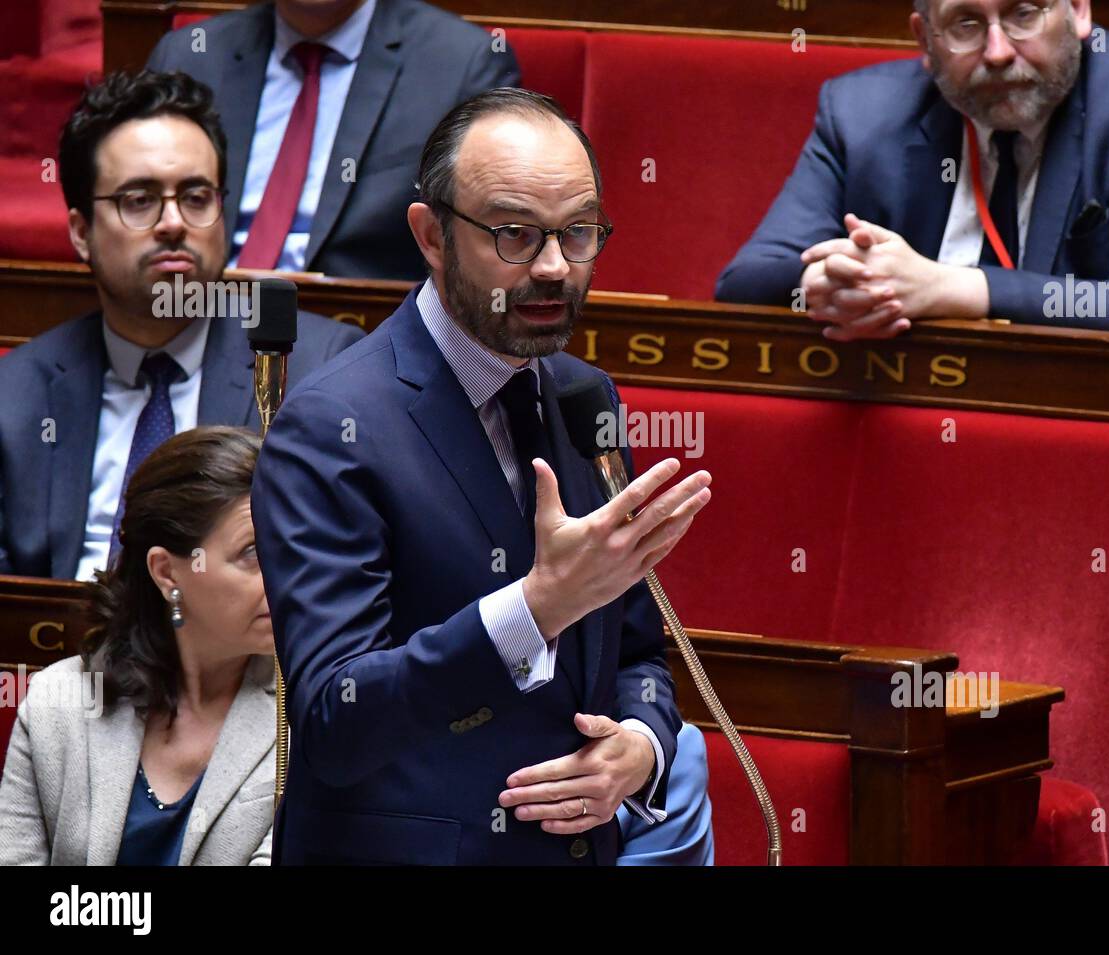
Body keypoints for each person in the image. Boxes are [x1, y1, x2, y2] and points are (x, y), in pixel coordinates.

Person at [252, 88, 715, 865]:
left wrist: (639, 744)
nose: (553, 268)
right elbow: (336, 719)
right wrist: (535, 607)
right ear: (431, 235)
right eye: (513, 234)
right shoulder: (332, 426)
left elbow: (635, 650)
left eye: (578, 233)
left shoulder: (583, 394)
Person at [0, 69, 363, 580]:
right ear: (81, 233)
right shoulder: (16, 397)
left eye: (196, 197)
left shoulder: (315, 368)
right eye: (139, 200)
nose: (173, 222)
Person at [715, 0, 1109, 340]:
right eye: (965, 24)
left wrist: (947, 288)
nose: (999, 52)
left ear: (1077, 10)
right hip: (926, 421)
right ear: (924, 40)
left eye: (1023, 14)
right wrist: (841, 281)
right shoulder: (861, 112)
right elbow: (744, 281)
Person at [0, 427, 276, 865]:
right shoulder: (58, 704)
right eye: (252, 553)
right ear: (167, 572)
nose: (285, 578)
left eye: (289, 549)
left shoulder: (306, 712)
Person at [147, 0, 520, 280]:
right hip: (197, 311)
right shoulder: (189, 55)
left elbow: (485, 245)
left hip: (361, 332)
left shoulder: (461, 64)